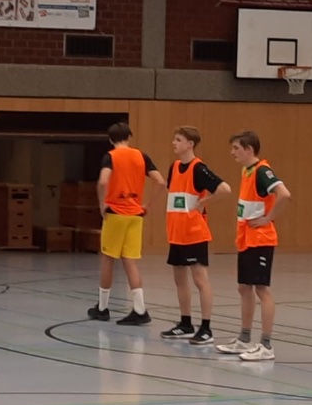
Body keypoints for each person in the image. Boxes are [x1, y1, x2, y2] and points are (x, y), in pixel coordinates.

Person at [219, 130, 291, 362]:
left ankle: (266, 345)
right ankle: (244, 338)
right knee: (244, 287)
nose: (232, 153)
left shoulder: (262, 171)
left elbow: (284, 194)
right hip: (246, 240)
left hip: (261, 240)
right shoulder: (246, 171)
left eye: (236, 148)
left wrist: (268, 218)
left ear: (249, 149)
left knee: (262, 290)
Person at [88, 122, 166, 325]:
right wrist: (148, 205)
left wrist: (102, 204)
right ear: (129, 137)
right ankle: (140, 309)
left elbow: (103, 181)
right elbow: (160, 182)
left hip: (116, 213)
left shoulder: (111, 157)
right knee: (130, 261)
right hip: (135, 214)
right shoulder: (141, 156)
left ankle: (102, 308)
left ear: (110, 139)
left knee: (107, 259)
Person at [162, 126, 232, 345]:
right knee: (179, 279)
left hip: (194, 234)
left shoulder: (198, 168)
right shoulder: (174, 167)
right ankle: (185, 324)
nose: (174, 143)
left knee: (200, 280)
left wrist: (205, 201)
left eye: (178, 139)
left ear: (190, 144)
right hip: (176, 234)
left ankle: (206, 328)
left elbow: (225, 189)